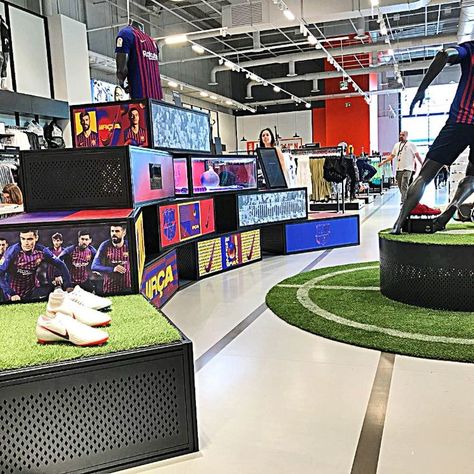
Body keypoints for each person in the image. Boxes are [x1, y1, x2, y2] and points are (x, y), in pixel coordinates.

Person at [391, 40, 474, 234]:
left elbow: (444, 55)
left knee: (425, 175)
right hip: (460, 122)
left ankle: (399, 223)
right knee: (471, 176)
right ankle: (447, 214)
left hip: (459, 123)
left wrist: (421, 89)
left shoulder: (470, 49)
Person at [0, 229, 71, 302]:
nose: (26, 243)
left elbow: (60, 264)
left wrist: (68, 285)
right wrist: (11, 293)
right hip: (13, 290)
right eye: (23, 239)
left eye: (29, 239)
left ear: (36, 238)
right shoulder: (12, 252)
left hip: (31, 289)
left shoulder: (42, 251)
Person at [379, 131, 423, 205]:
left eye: (403, 135)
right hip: (399, 169)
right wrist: (384, 161)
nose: (401, 136)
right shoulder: (396, 145)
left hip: (408, 168)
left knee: (404, 184)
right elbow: (392, 156)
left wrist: (422, 164)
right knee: (400, 185)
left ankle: (404, 201)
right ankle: (407, 197)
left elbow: (417, 156)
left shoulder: (411, 145)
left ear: (406, 136)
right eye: (400, 135)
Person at [91, 224, 131, 294]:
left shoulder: (129, 245)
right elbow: (94, 266)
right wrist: (113, 269)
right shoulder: (105, 245)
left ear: (124, 232)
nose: (114, 234)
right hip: (110, 288)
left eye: (117, 231)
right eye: (112, 231)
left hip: (128, 287)